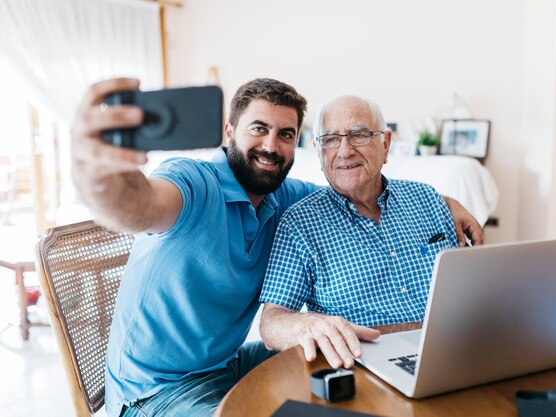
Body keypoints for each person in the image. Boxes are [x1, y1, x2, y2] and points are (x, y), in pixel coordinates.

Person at [70, 78, 483, 416]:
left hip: (227, 363)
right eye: (258, 129)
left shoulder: (283, 198)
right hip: (158, 389)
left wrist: (449, 204)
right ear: (230, 132)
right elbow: (138, 205)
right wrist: (100, 174)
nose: (271, 145)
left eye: (286, 134)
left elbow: (354, 184)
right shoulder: (194, 183)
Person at [259, 95, 459, 370]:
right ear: (318, 151)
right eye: (330, 139)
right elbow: (271, 323)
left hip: (454, 350)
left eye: (359, 135)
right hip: (362, 366)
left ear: (386, 144)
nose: (345, 151)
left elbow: (472, 288)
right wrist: (306, 324)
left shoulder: (427, 199)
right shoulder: (300, 223)